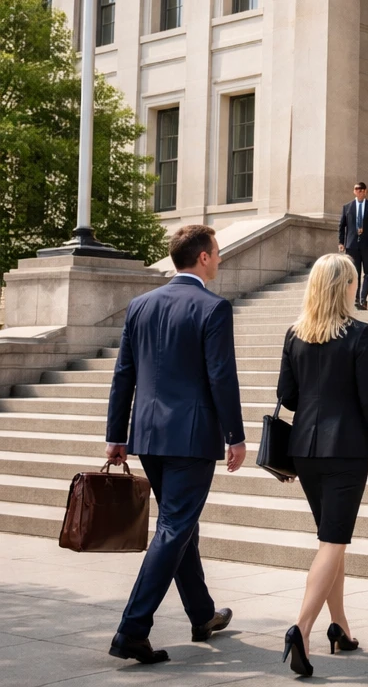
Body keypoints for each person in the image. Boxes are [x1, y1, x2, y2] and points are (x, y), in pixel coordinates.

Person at [105, 224, 246, 665]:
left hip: (147, 434)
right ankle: (132, 629)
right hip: (190, 437)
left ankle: (202, 614)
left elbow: (123, 373)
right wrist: (235, 435)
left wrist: (116, 435)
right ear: (202, 257)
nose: (219, 260)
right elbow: (222, 376)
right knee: (175, 527)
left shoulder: (140, 305)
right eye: (217, 253)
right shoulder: (213, 307)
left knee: (181, 524)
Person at [277, 252, 368, 678]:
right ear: (344, 287)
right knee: (333, 542)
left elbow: (287, 396)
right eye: (352, 282)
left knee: (333, 540)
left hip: (304, 450)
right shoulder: (360, 335)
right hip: (345, 450)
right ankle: (302, 628)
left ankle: (340, 627)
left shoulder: (294, 335)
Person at [338, 182, 368, 310]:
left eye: (362, 189)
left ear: (366, 191)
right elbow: (342, 226)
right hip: (352, 245)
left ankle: (363, 298)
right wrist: (341, 242)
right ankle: (356, 298)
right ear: (354, 191)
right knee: (354, 273)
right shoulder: (347, 207)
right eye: (357, 189)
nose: (360, 191)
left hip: (367, 244)